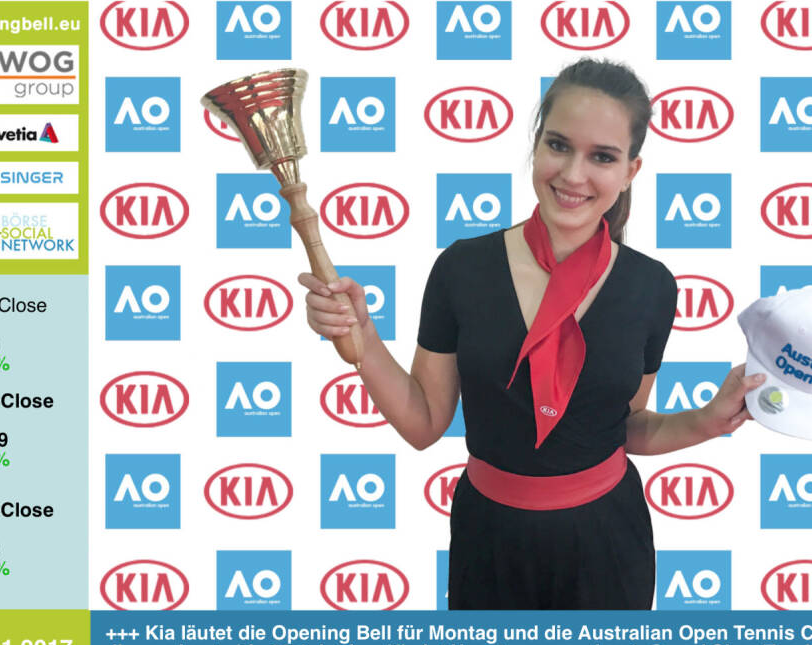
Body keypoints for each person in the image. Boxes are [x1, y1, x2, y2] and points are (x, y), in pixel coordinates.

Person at [299, 59, 764, 609]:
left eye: (602, 157)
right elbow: (424, 424)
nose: (573, 175)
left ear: (630, 171)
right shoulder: (462, 269)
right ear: (536, 144)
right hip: (489, 537)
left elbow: (625, 427)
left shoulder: (652, 287)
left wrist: (708, 421)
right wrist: (363, 338)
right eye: (558, 145)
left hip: (608, 544)